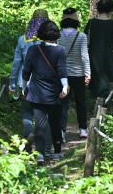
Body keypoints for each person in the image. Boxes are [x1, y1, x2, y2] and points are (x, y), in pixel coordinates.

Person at [22, 20, 68, 164]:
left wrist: (24, 88)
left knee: (40, 125)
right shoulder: (60, 50)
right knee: (55, 124)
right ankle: (57, 153)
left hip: (36, 93)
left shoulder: (33, 49)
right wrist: (65, 88)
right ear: (55, 34)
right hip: (54, 93)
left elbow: (26, 71)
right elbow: (62, 71)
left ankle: (40, 155)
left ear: (41, 33)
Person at [9, 9, 53, 155]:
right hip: (45, 84)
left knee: (27, 111)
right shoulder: (51, 41)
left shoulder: (22, 40)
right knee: (44, 115)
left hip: (25, 84)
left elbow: (16, 64)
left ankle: (29, 133)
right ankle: (46, 150)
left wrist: (13, 84)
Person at [58, 8, 91, 140]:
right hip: (78, 75)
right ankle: (83, 129)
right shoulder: (81, 36)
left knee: (62, 103)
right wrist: (88, 74)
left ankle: (61, 131)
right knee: (81, 102)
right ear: (76, 21)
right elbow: (84, 56)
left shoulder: (57, 35)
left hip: (62, 75)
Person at [84, 0, 113, 99]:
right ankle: (109, 106)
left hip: (93, 57)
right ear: (111, 10)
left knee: (96, 80)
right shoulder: (112, 24)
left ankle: (95, 104)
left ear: (98, 8)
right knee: (109, 81)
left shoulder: (91, 22)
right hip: (108, 58)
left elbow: (85, 41)